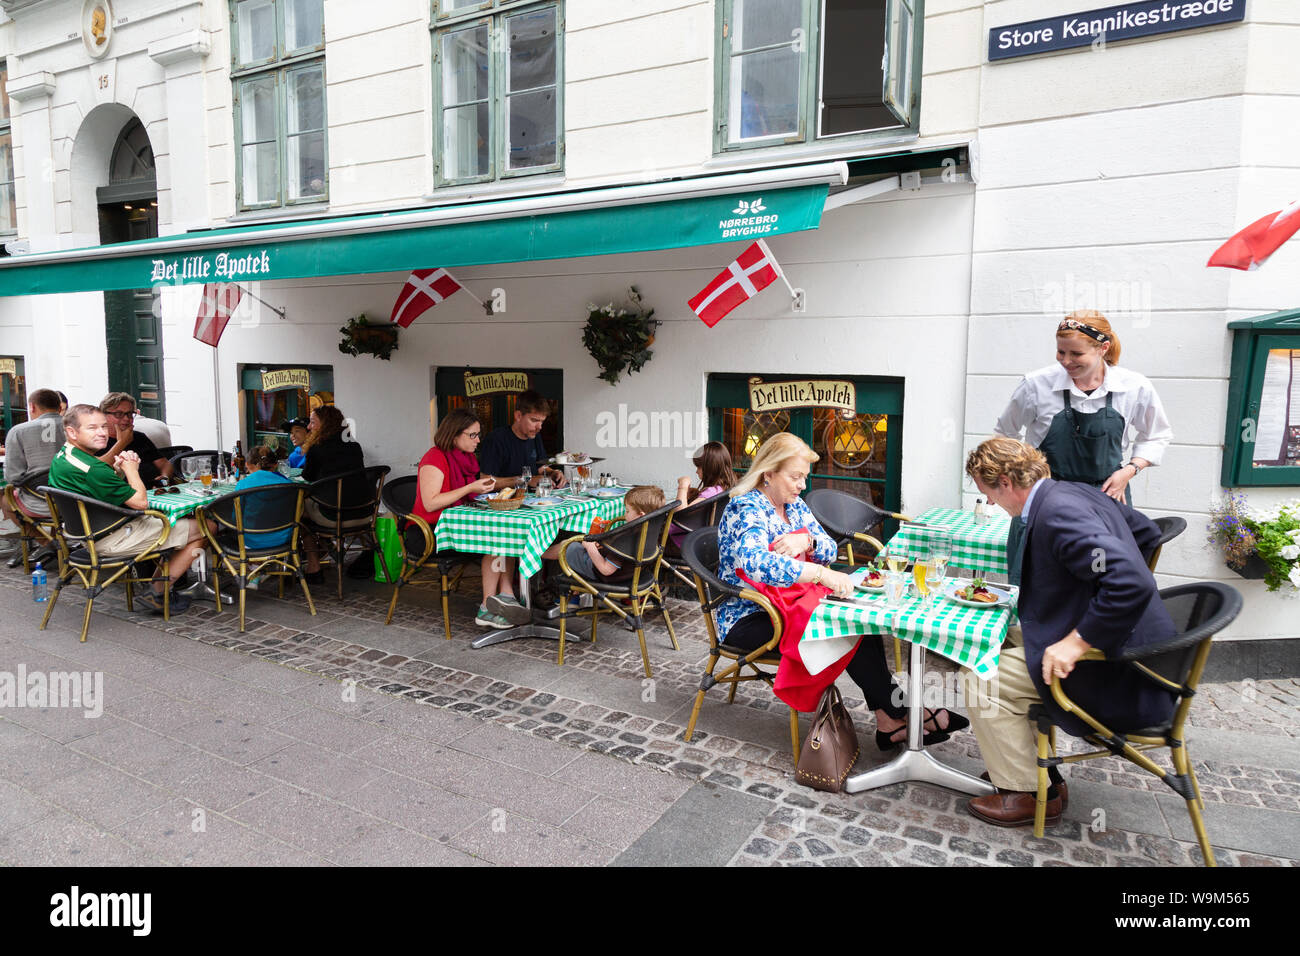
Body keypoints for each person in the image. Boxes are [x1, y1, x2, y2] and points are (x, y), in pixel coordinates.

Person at [961, 436, 1177, 827]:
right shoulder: (1073, 491)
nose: (990, 503)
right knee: (999, 638)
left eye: (988, 493)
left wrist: (1078, 641)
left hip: (1122, 670)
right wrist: (1089, 592)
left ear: (1006, 482)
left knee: (980, 675)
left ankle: (1028, 792)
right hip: (1145, 652)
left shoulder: (1057, 512)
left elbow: (1130, 582)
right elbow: (1145, 534)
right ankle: (1027, 766)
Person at [716, 433, 967, 749]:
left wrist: (805, 541)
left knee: (859, 615)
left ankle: (889, 719)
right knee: (846, 629)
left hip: (791, 605)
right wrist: (819, 573)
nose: (802, 485)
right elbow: (755, 563)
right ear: (768, 473)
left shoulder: (793, 507)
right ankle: (898, 712)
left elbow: (830, 548)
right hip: (750, 616)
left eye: (804, 477)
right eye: (795, 476)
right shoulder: (746, 507)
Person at [995, 310, 1171, 506]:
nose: (1066, 361)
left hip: (1108, 494)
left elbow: (1156, 435)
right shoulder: (1036, 385)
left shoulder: (1134, 386)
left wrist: (1129, 471)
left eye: (1076, 354)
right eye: (1061, 352)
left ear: (1103, 348)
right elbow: (1005, 435)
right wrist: (1001, 480)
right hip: (1043, 493)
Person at [48, 404, 205, 614]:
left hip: (87, 534)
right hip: (111, 537)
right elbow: (141, 503)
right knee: (205, 526)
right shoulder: (92, 469)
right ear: (71, 432)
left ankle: (160, 583)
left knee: (173, 523)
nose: (102, 433)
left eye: (104, 426)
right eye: (92, 428)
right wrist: (131, 470)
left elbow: (99, 485)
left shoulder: (64, 456)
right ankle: (158, 591)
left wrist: (117, 470)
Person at [408, 408, 518, 628]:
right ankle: (487, 607)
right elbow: (431, 502)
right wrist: (471, 487)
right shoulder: (435, 458)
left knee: (507, 535)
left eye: (479, 434)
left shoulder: (465, 459)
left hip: (456, 526)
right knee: (495, 540)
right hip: (428, 532)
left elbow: (469, 496)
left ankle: (507, 597)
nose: (478, 440)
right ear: (454, 434)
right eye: (472, 435)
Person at [300, 404, 367, 582]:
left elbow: (308, 477)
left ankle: (314, 567)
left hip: (333, 515)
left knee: (298, 513)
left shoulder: (317, 448)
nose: (308, 427)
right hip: (364, 513)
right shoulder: (354, 445)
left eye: (312, 422)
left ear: (325, 424)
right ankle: (327, 545)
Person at [545, 485, 665, 582]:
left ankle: (538, 556)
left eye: (627, 511)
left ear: (641, 515)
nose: (625, 513)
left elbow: (606, 570)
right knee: (581, 542)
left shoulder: (626, 541)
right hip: (633, 572)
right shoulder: (649, 528)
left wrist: (590, 547)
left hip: (606, 576)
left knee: (568, 545)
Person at [477, 390, 567, 491]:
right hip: (504, 502)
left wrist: (553, 473)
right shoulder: (495, 439)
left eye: (542, 421)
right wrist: (525, 480)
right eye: (534, 420)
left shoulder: (534, 435)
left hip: (533, 500)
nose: (539, 427)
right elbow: (485, 481)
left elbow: (541, 468)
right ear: (518, 416)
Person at [2, 388, 64, 522]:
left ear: (32, 406)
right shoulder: (75, 427)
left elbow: (13, 477)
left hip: (37, 502)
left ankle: (45, 542)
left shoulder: (18, 431)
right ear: (60, 408)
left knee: (6, 501)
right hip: (76, 501)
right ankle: (56, 538)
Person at [97, 392, 174, 488]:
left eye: (129, 414)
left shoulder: (139, 437)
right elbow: (96, 468)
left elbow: (165, 464)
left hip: (154, 491)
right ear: (103, 415)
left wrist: (164, 478)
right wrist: (122, 442)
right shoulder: (97, 440)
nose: (126, 418)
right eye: (118, 414)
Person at [670, 441, 735, 549]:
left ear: (710, 467)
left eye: (699, 467)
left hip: (683, 543)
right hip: (698, 540)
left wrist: (683, 486)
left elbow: (681, 514)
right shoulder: (723, 489)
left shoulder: (712, 492)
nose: (696, 471)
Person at [233, 445, 297, 550]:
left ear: (247, 465)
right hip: (283, 539)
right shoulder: (288, 484)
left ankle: (253, 564)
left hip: (251, 541)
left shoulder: (243, 485)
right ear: (275, 465)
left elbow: (235, 517)